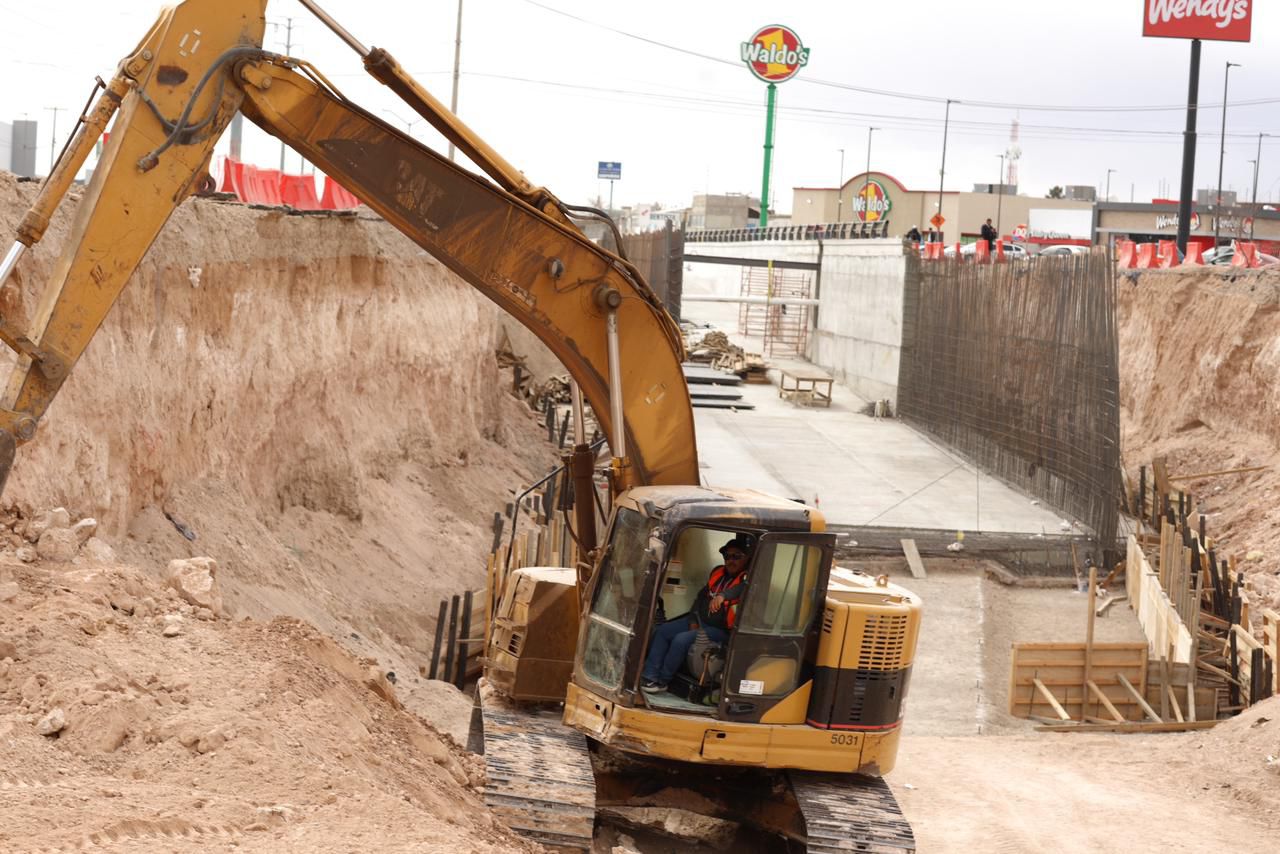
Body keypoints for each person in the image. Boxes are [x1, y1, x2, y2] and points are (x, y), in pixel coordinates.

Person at [641, 537, 752, 693]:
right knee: (663, 631)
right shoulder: (718, 573)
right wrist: (693, 619)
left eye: (737, 556)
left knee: (681, 640)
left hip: (721, 631)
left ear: (746, 558)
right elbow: (700, 598)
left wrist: (723, 596)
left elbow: (743, 588)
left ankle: (663, 681)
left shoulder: (751, 578)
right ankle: (649, 677)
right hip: (701, 621)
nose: (731, 560)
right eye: (728, 556)